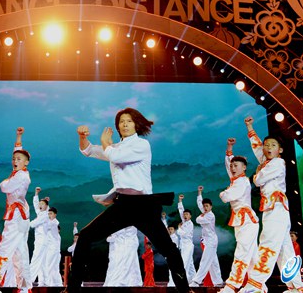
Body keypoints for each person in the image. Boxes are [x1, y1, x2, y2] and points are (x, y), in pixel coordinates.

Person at [65, 107, 189, 293]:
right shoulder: (114, 147)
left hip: (143, 206)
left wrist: (105, 142)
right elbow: (88, 150)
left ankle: (185, 290)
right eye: (121, 122)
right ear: (117, 127)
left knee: (168, 249)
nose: (124, 124)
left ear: (136, 125)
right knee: (85, 236)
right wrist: (82, 136)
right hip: (123, 204)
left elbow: (115, 157)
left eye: (129, 121)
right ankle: (72, 289)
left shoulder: (141, 145)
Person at [240, 116, 303, 293]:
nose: (268, 148)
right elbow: (256, 146)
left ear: (280, 150)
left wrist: (256, 174)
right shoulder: (267, 162)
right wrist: (250, 127)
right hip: (274, 209)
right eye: (266, 145)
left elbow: (258, 180)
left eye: (273, 145)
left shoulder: (278, 163)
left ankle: (255, 284)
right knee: (285, 250)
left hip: (276, 209)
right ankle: (296, 287)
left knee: (267, 243)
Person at [218, 137, 259, 293]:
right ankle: (258, 286)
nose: (232, 168)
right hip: (243, 221)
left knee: (242, 252)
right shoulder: (236, 179)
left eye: (236, 166)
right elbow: (229, 163)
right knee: (252, 255)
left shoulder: (242, 182)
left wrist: (223, 193)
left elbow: (227, 196)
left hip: (247, 221)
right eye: (232, 166)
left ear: (244, 168)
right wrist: (229, 148)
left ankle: (232, 285)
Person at [0, 127, 32, 293]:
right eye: (14, 159)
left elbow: (5, 187)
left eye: (18, 159)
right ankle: (25, 287)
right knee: (20, 252)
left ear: (26, 162)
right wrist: (18, 138)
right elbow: (18, 153)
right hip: (19, 215)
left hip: (16, 217)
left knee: (4, 248)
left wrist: (4, 182)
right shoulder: (18, 172)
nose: (15, 161)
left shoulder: (21, 176)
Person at [190, 186, 222, 287]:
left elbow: (198, 220)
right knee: (213, 262)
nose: (205, 208)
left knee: (205, 260)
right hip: (207, 240)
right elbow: (200, 203)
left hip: (211, 241)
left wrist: (201, 215)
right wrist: (199, 192)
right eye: (204, 206)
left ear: (211, 207)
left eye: (207, 206)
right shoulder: (205, 212)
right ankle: (218, 281)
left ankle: (196, 281)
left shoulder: (210, 215)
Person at [29, 187, 50, 285]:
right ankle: (44, 281)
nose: (40, 205)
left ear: (46, 206)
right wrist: (36, 194)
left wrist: (25, 224)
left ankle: (29, 279)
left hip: (42, 241)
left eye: (42, 204)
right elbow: (36, 205)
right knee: (42, 261)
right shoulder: (41, 213)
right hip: (40, 241)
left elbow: (33, 224)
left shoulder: (45, 215)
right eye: (40, 204)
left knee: (36, 258)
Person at [177, 195, 196, 283]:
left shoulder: (190, 224)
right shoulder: (184, 221)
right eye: (184, 214)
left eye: (187, 214)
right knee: (190, 264)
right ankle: (194, 280)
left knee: (184, 262)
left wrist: (179, 228)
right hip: (183, 245)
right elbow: (181, 210)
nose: (185, 215)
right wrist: (180, 200)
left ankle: (183, 281)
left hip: (188, 245)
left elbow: (183, 234)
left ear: (190, 216)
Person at [43, 207, 63, 286]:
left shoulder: (54, 223)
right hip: (52, 251)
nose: (49, 215)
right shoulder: (51, 223)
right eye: (48, 214)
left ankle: (49, 283)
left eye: (51, 214)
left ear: (55, 215)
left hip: (53, 251)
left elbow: (47, 224)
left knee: (49, 266)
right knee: (54, 268)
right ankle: (57, 283)